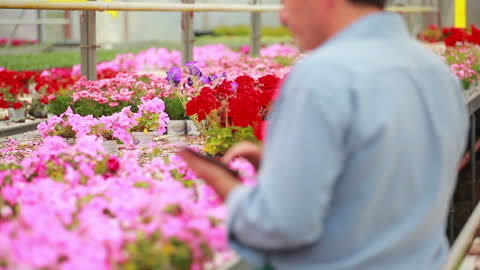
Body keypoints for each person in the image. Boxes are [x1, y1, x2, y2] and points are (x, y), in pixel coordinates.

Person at [179, 0, 470, 269]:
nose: (282, 16)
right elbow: (393, 177)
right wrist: (295, 167)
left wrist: (224, 185)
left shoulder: (321, 78)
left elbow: (281, 225)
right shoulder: (436, 73)